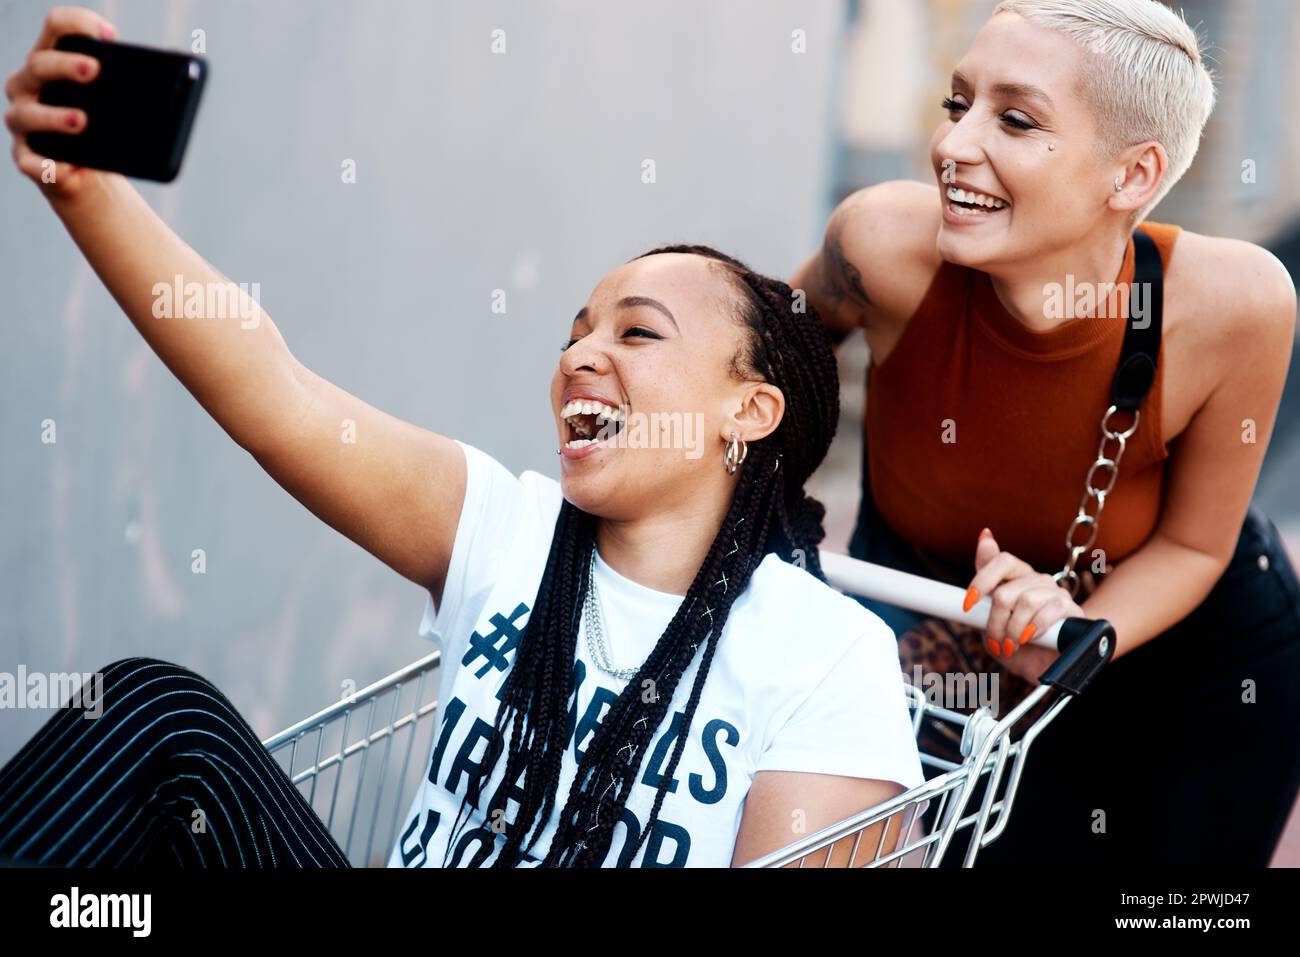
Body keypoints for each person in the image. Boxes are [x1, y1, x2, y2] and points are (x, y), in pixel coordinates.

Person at [0, 6, 924, 869]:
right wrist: (85, 192)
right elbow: (275, 396)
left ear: (750, 412)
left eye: (636, 332)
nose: (581, 357)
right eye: (576, 333)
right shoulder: (506, 531)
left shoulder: (820, 653)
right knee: (159, 719)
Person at [794, 0, 1300, 867]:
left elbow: (1192, 545)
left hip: (1187, 661)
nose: (953, 146)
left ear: (1132, 176)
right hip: (933, 620)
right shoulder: (879, 244)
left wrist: (1074, 633)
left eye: (1016, 119)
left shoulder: (1236, 303)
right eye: (959, 105)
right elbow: (760, 376)